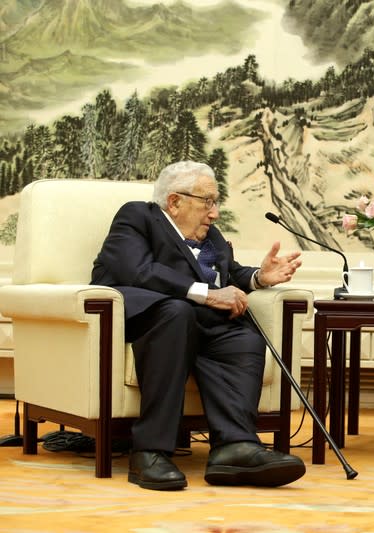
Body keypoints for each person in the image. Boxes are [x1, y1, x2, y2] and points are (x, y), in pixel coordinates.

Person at [92, 161, 306, 491]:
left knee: (242, 337)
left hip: (194, 320)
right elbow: (137, 270)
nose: (215, 212)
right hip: (144, 319)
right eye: (207, 201)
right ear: (175, 202)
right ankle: (150, 451)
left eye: (216, 202)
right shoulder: (138, 217)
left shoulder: (212, 236)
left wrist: (258, 278)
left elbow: (227, 274)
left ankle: (233, 447)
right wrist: (207, 295)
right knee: (177, 312)